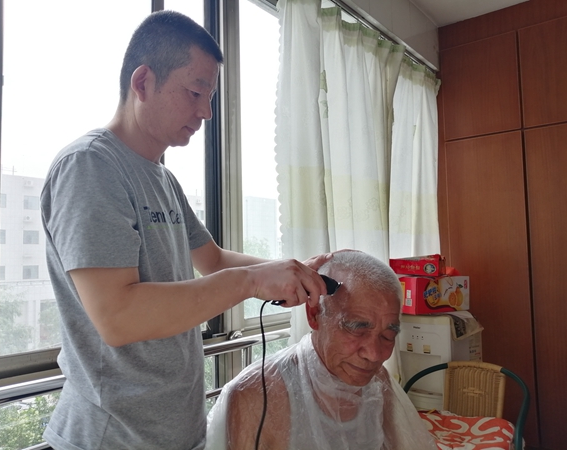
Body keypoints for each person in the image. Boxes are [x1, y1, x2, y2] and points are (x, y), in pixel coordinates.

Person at [40, 10, 330, 450]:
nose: (206, 112)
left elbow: (213, 260)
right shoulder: (90, 166)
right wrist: (251, 281)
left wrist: (293, 270)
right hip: (110, 437)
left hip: (176, 431)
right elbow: (117, 316)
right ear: (143, 83)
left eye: (209, 97)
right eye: (195, 92)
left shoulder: (163, 179)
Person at [206, 250, 437, 450]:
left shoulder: (377, 382)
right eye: (357, 329)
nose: (374, 354)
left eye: (388, 336)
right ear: (314, 314)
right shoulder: (255, 396)